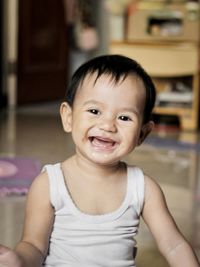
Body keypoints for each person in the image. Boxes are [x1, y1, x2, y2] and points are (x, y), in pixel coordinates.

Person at [0, 55, 199, 267]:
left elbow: (173, 245)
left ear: (142, 133)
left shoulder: (143, 188)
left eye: (124, 118)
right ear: (68, 117)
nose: (107, 125)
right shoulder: (49, 184)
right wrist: (18, 261)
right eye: (94, 111)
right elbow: (34, 246)